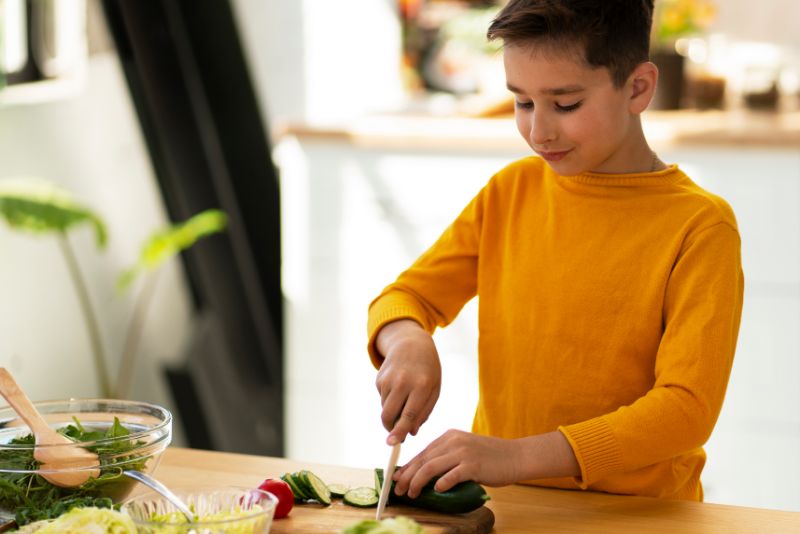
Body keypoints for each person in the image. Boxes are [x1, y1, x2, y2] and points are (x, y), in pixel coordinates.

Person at [366, 0, 744, 502]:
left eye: (565, 105)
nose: (539, 131)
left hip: (641, 516)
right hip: (510, 508)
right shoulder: (511, 192)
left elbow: (685, 410)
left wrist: (517, 455)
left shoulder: (699, 227)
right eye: (523, 103)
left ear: (638, 87)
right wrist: (408, 342)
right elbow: (407, 296)